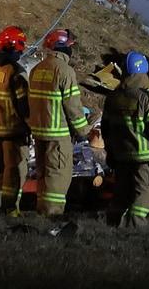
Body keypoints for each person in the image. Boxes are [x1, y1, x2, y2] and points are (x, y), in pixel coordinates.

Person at [103, 50, 149, 228]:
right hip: (143, 160)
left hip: (121, 157)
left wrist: (110, 153)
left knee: (121, 194)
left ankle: (113, 226)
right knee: (141, 197)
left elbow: (106, 130)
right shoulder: (145, 99)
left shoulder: (112, 98)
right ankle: (134, 228)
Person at [27, 28, 90, 217]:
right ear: (62, 47)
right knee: (57, 174)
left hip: (39, 132)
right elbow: (73, 106)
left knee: (43, 174)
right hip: (58, 134)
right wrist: (83, 130)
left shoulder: (37, 69)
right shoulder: (64, 70)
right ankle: (53, 214)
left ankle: (42, 210)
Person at [0, 25, 31, 216]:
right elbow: (24, 106)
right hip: (13, 131)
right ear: (17, 46)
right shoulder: (16, 72)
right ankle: (9, 208)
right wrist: (30, 127)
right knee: (13, 170)